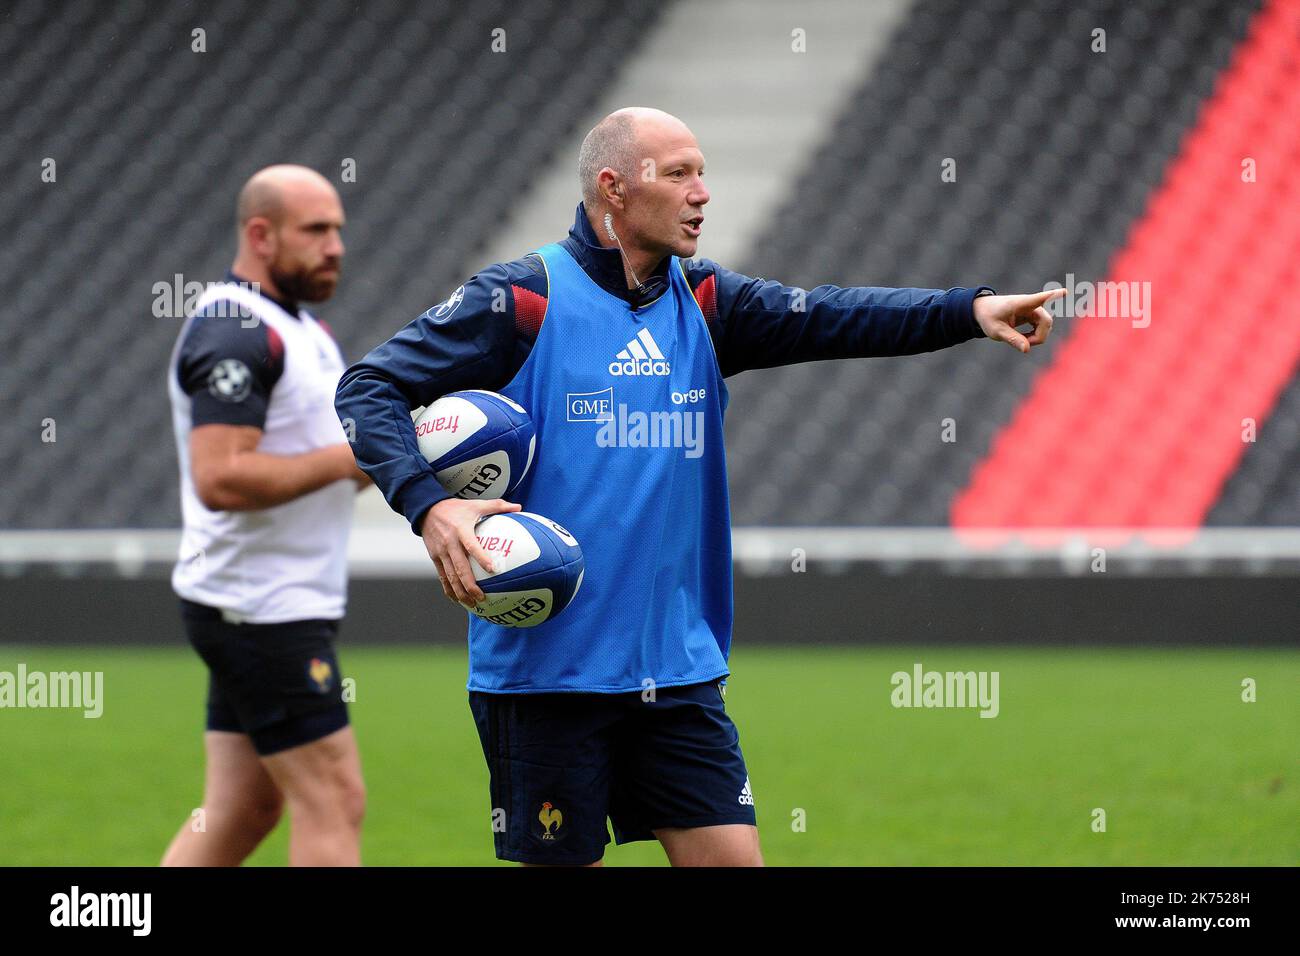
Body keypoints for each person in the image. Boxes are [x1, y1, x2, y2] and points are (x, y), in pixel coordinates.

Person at [334, 108, 1061, 867]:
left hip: (674, 674)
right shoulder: (521, 299)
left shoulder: (707, 303)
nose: (701, 193)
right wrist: (431, 506)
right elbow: (368, 387)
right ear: (613, 188)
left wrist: (969, 311)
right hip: (548, 674)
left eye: (703, 173)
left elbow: (832, 316)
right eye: (678, 173)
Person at [162, 164, 369, 866]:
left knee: (242, 809)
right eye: (315, 230)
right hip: (261, 607)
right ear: (260, 234)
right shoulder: (235, 331)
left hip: (262, 601)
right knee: (334, 800)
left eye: (338, 228)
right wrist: (348, 461)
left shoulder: (300, 327)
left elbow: (325, 462)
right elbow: (221, 476)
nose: (336, 244)